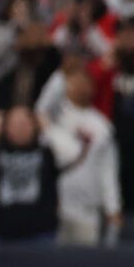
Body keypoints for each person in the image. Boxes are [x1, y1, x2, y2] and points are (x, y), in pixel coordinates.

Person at [0, 105, 80, 244]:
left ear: (35, 126)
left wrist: (48, 127)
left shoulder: (47, 151)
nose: (20, 128)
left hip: (40, 235)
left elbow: (72, 154)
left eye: (25, 123)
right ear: (4, 127)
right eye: (14, 124)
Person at [40, 65, 121, 246]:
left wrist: (113, 208)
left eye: (86, 82)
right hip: (55, 208)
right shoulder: (53, 117)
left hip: (87, 210)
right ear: (66, 85)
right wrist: (60, 74)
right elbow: (41, 107)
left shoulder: (102, 125)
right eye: (76, 81)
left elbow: (108, 170)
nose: (81, 86)